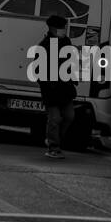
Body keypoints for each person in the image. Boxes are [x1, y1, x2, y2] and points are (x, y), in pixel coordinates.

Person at [32, 14, 78, 158]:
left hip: (65, 88)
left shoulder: (66, 42)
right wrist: (47, 84)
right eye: (61, 27)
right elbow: (38, 70)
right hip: (51, 90)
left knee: (69, 116)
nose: (63, 30)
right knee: (55, 119)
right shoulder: (44, 45)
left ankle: (55, 139)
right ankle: (54, 147)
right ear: (52, 28)